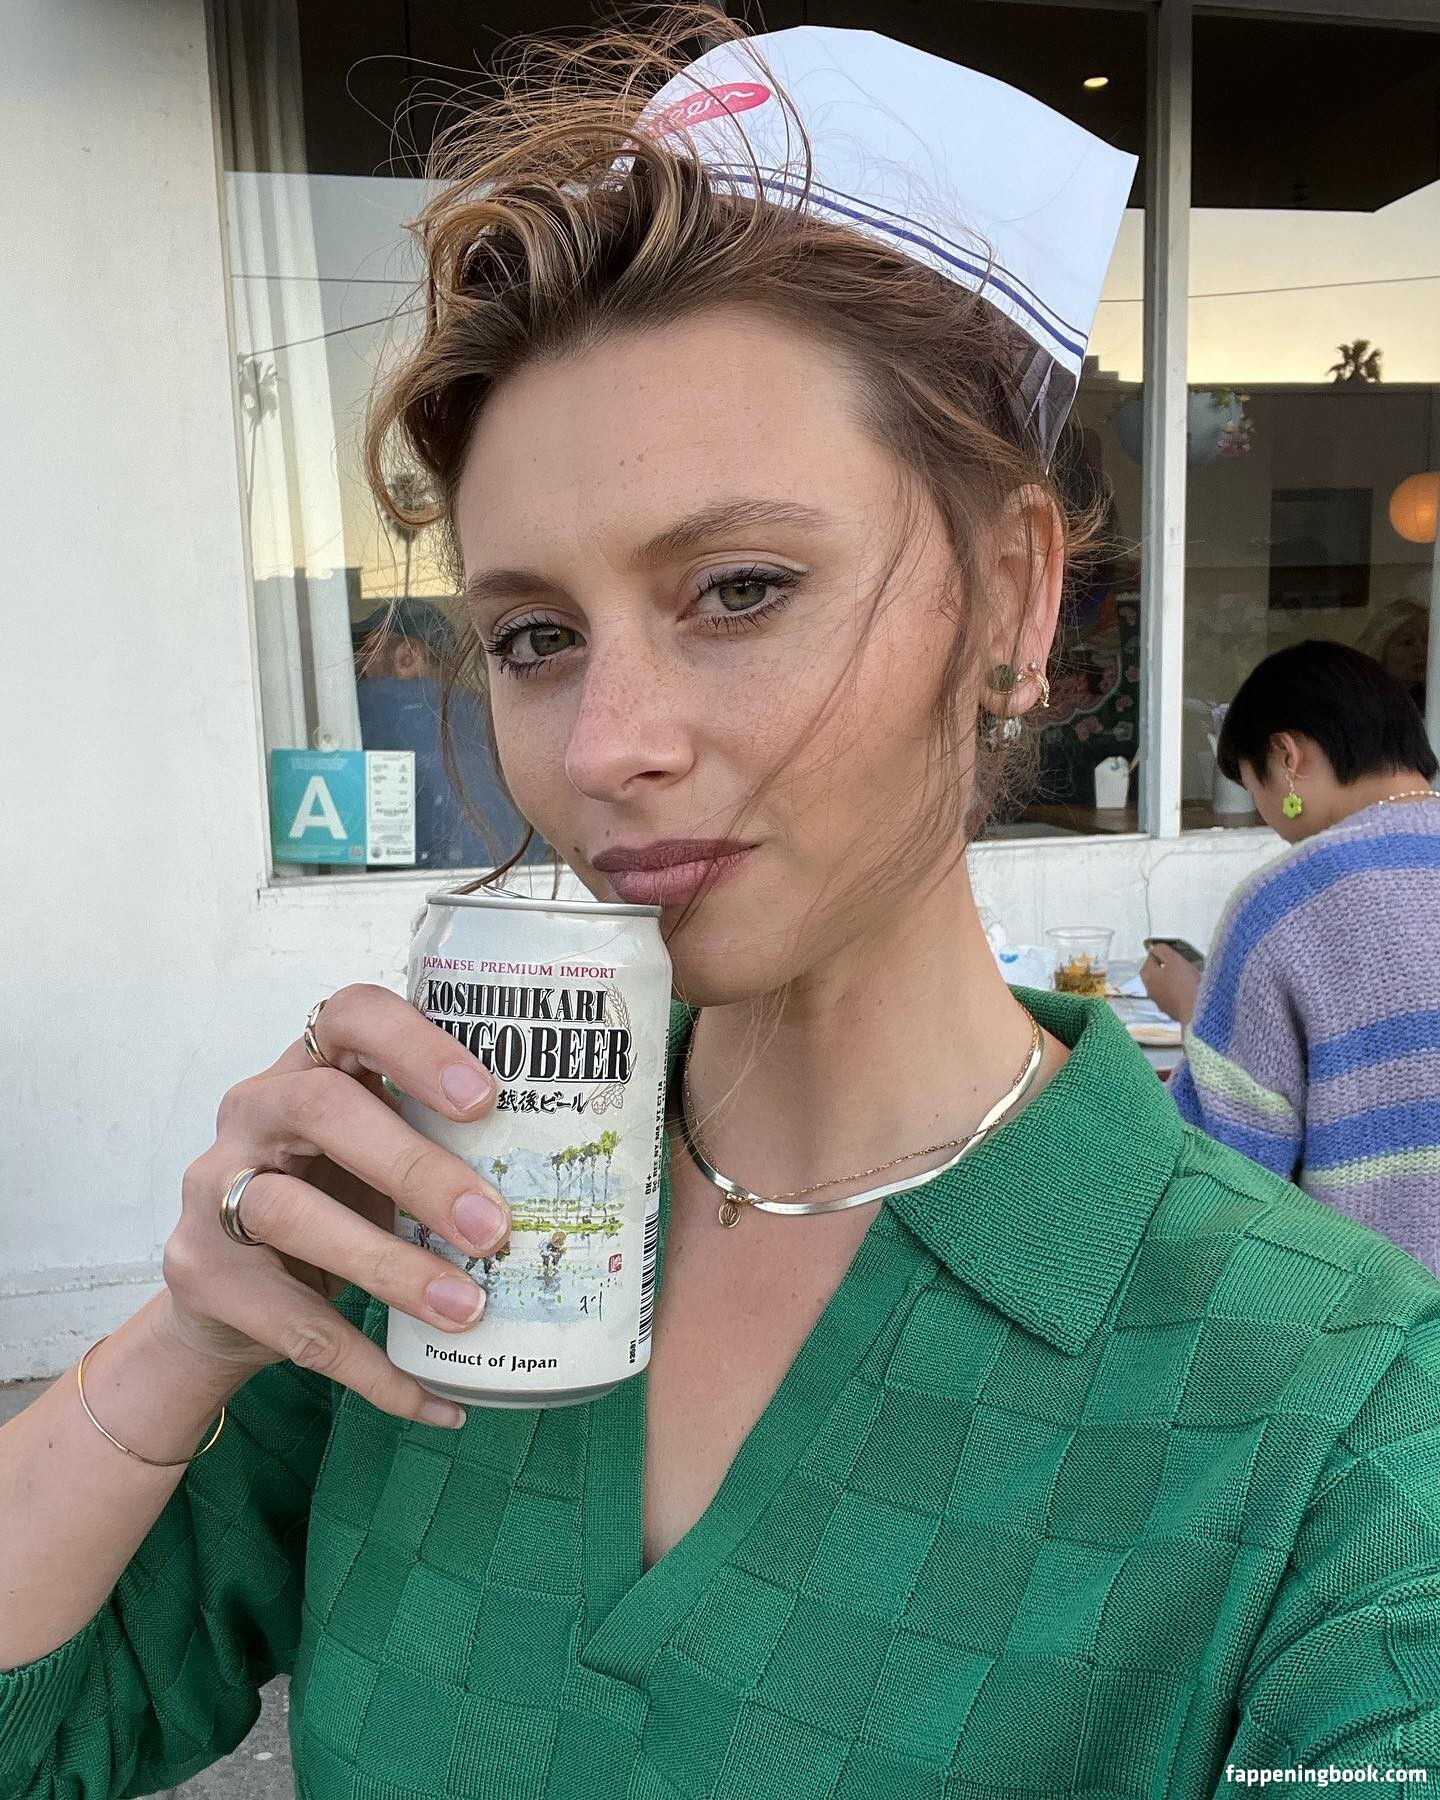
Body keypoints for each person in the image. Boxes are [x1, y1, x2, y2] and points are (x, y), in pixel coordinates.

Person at [4, 18, 1440, 1797]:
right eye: (535, 636)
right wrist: (184, 1339)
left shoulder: (1339, 1410)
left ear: (1012, 594)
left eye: (741, 588)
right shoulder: (431, 1240)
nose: (606, 745)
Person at [1143, 640, 1440, 1272]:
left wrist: (1198, 1017)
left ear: (1287, 756)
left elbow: (1229, 1167)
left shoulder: (1283, 904)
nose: (1269, 816)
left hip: (1370, 1311)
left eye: (1255, 786)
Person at [352, 597, 549, 867]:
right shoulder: (495, 717)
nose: (360, 668)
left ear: (407, 657)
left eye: (368, 651)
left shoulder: (379, 704)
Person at [1357, 597, 1429, 708]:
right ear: (1381, 648)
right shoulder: (1361, 699)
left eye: (1426, 640)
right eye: (1407, 642)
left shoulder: (1431, 697)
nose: (1422, 651)